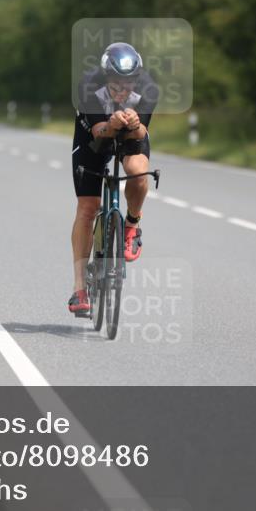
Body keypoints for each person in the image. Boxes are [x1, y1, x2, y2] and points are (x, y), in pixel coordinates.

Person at [68, 42, 159, 315]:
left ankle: (131, 224)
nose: (122, 90)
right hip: (93, 136)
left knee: (138, 172)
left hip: (128, 132)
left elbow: (141, 133)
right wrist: (114, 122)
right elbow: (99, 132)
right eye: (116, 84)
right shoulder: (87, 86)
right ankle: (79, 288)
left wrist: (133, 122)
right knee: (88, 208)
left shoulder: (148, 87)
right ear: (105, 77)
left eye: (128, 84)